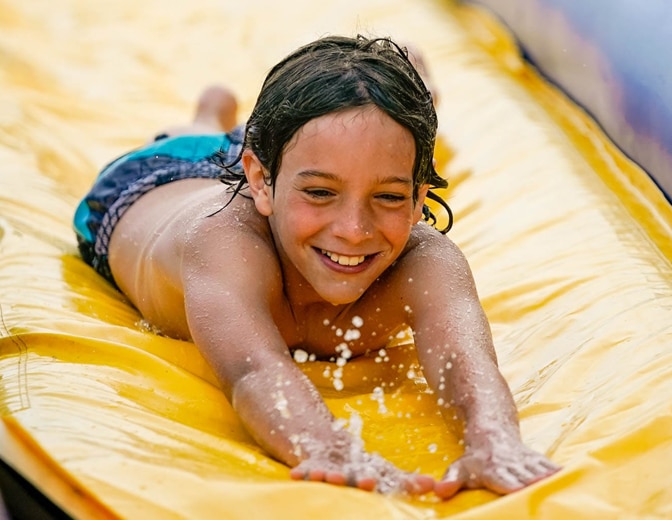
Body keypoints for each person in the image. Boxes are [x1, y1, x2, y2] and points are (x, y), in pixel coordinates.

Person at [73, 35, 560, 498]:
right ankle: (209, 114)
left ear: (419, 200)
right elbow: (253, 370)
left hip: (290, 160)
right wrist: (327, 446)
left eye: (389, 197)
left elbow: (466, 364)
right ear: (260, 182)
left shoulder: (424, 260)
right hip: (160, 180)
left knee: (350, 136)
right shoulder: (222, 243)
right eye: (321, 195)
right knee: (200, 137)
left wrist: (495, 440)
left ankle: (410, 91)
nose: (353, 230)